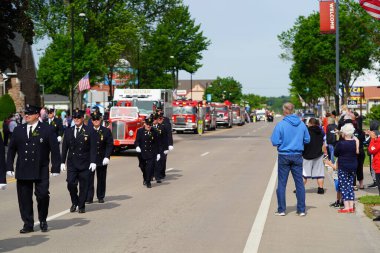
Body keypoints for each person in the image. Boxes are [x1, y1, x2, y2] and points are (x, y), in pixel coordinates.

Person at [6, 105, 61, 233]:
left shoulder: (47, 129)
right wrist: (9, 166)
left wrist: (56, 167)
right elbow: (11, 149)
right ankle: (28, 223)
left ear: (37, 115)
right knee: (24, 198)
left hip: (40, 169)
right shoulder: (18, 130)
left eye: (30, 113)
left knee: (42, 196)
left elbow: (54, 150)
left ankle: (42, 219)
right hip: (23, 169)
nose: (27, 115)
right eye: (26, 113)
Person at [271, 102, 310, 216]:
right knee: (299, 184)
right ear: (293, 110)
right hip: (297, 155)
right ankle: (301, 209)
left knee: (282, 184)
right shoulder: (301, 124)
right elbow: (307, 140)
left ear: (284, 111)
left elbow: (274, 141)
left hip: (284, 155)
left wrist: (282, 143)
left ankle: (282, 209)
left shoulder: (281, 125)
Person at [61, 109, 97, 213]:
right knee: (70, 184)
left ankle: (81, 206)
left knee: (83, 186)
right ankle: (75, 201)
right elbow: (64, 148)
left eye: (78, 117)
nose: (76, 119)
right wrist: (62, 162)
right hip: (72, 163)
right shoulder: (68, 131)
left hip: (85, 162)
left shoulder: (90, 130)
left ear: (82, 118)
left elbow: (93, 148)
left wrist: (93, 161)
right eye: (74, 118)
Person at [86, 112, 113, 203]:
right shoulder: (87, 130)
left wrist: (107, 156)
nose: (96, 121)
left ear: (100, 119)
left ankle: (100, 196)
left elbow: (109, 145)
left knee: (101, 178)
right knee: (89, 179)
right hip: (90, 159)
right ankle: (89, 197)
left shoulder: (106, 131)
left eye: (97, 119)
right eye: (94, 119)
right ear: (91, 121)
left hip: (102, 158)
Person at [334, 123, 358, 213]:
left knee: (344, 187)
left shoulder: (341, 143)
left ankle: (346, 207)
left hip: (343, 166)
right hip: (353, 166)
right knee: (350, 186)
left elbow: (336, 154)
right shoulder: (354, 142)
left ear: (343, 133)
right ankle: (351, 206)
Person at [302, 118, 327, 194]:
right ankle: (320, 189)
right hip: (318, 154)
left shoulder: (306, 131)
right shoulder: (321, 132)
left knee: (304, 173)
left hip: (307, 154)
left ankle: (300, 189)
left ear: (309, 123)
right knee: (319, 172)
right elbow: (325, 143)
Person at [135, 115, 160, 188]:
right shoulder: (140, 131)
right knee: (142, 166)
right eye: (147, 124)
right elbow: (137, 141)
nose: (149, 126)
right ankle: (145, 177)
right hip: (142, 152)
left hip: (151, 152)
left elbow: (156, 143)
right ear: (144, 124)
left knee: (149, 167)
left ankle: (148, 181)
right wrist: (137, 146)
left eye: (150, 125)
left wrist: (158, 153)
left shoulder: (154, 131)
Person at [155, 108, 174, 179]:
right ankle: (155, 173)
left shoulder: (166, 120)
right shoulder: (154, 119)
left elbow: (169, 133)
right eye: (158, 112)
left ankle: (162, 172)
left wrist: (170, 144)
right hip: (155, 144)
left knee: (162, 159)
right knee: (155, 159)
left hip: (164, 143)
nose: (159, 113)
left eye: (160, 112)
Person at [152, 113, 169, 183]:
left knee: (159, 162)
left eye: (154, 120)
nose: (153, 121)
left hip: (160, 147)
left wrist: (166, 148)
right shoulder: (149, 127)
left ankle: (158, 177)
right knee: (151, 162)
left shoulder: (162, 127)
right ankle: (150, 176)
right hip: (151, 147)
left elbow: (165, 138)